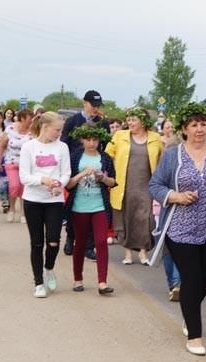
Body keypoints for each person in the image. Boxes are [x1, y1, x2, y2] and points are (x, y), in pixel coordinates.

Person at [149, 102, 206, 356]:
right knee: (191, 279)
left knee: (202, 282)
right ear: (184, 129)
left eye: (203, 124)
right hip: (180, 228)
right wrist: (175, 196)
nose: (199, 129)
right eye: (193, 125)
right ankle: (196, 337)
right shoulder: (172, 155)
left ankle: (188, 315)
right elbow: (154, 185)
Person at [19, 112, 70, 298]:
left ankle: (49, 267)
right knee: (37, 243)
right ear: (45, 127)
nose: (59, 133)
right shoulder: (29, 147)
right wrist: (43, 180)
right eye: (57, 130)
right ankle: (38, 282)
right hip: (33, 200)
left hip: (54, 201)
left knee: (54, 240)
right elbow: (24, 176)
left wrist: (60, 185)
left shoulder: (62, 147)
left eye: (61, 130)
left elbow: (66, 173)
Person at [105, 107, 162, 265]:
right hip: (123, 184)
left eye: (133, 119)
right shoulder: (119, 136)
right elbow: (107, 155)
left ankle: (143, 252)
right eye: (128, 120)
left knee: (145, 218)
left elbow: (162, 159)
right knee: (126, 217)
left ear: (143, 121)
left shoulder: (155, 138)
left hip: (147, 185)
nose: (130, 123)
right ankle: (128, 253)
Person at [64, 125, 117, 295]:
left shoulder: (106, 158)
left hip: (99, 205)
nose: (92, 143)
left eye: (95, 140)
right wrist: (82, 174)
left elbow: (113, 182)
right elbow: (68, 184)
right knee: (79, 242)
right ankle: (77, 279)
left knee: (101, 241)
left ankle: (102, 282)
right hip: (79, 206)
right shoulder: (75, 157)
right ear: (82, 139)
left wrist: (102, 178)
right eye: (88, 139)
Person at [61, 90, 109, 260]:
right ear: (85, 103)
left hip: (95, 167)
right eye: (93, 105)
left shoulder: (102, 123)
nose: (96, 109)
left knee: (93, 205)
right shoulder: (73, 120)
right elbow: (64, 143)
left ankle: (89, 245)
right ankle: (70, 238)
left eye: (98, 106)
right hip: (76, 166)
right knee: (75, 205)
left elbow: (106, 144)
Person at [0, 109, 35, 223]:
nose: (31, 121)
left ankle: (23, 213)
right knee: (14, 186)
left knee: (24, 187)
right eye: (29, 119)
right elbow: (2, 146)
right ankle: (12, 209)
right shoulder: (11, 129)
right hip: (11, 162)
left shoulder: (32, 131)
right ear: (22, 118)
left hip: (27, 164)